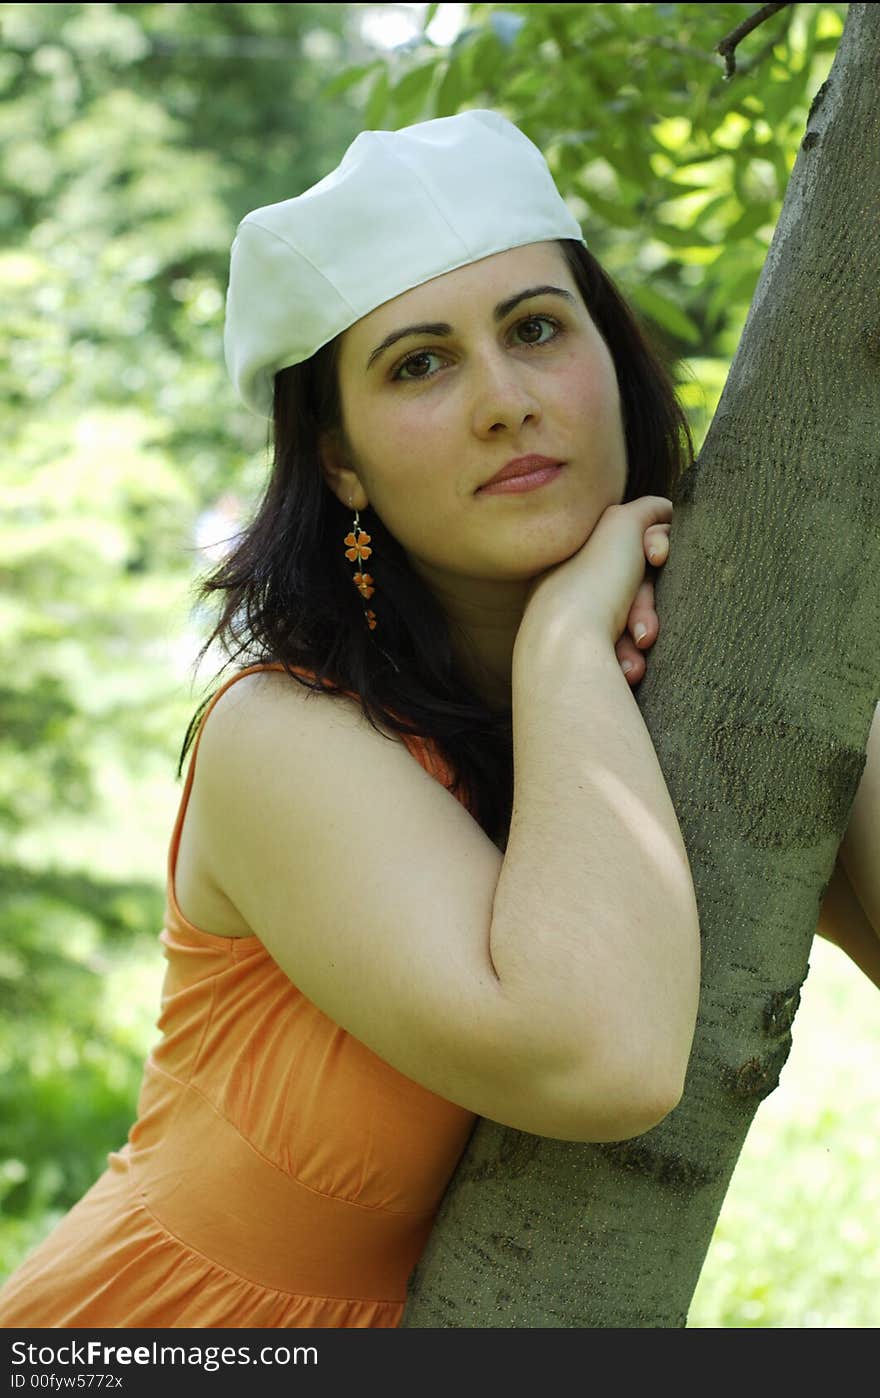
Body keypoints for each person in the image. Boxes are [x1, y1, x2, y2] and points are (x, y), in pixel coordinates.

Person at [0, 108, 704, 1329]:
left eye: (538, 329)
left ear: (611, 354)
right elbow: (603, 1058)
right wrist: (559, 644)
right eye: (418, 363)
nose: (504, 401)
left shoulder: (686, 670)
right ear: (340, 464)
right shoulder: (280, 737)